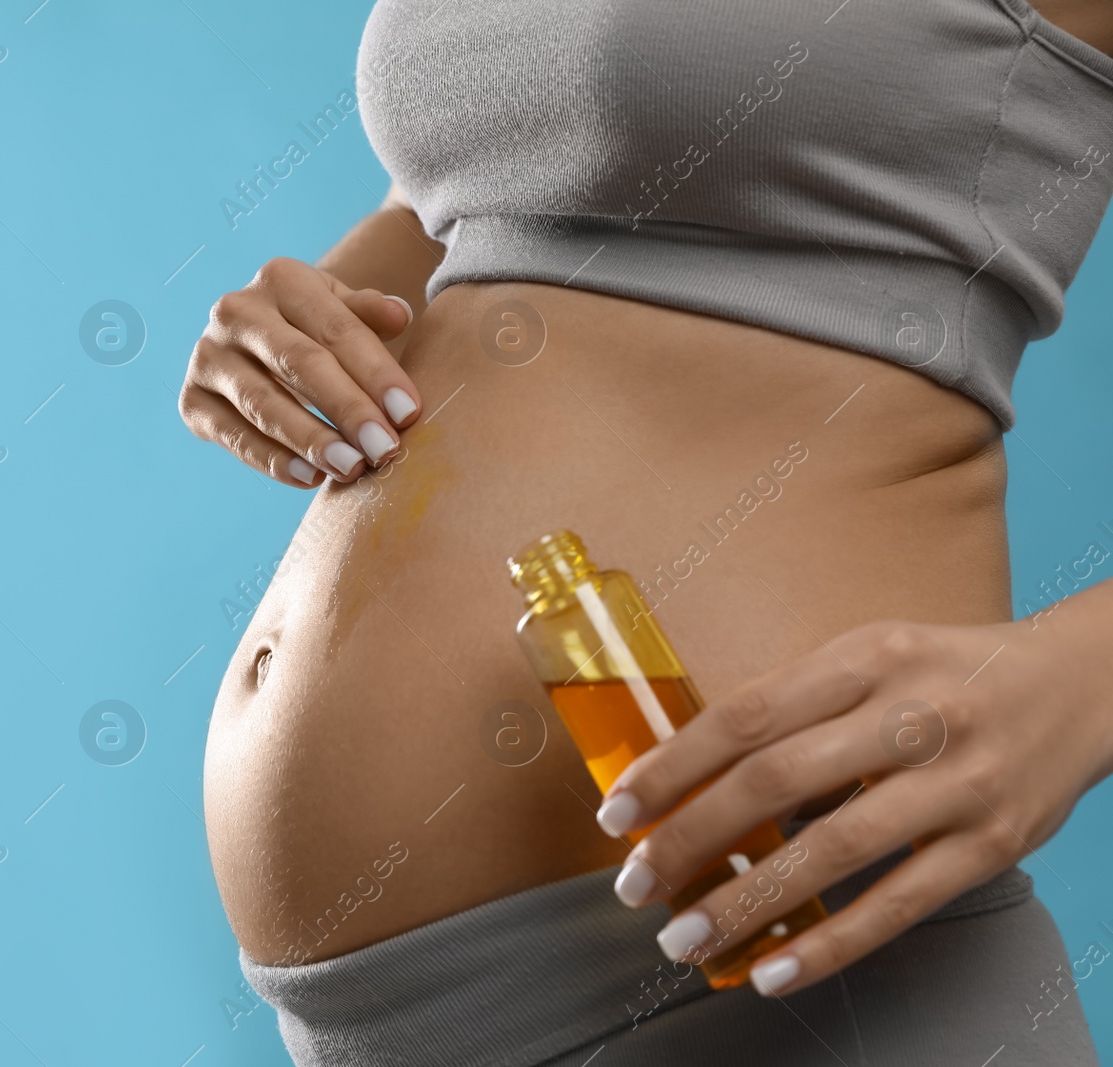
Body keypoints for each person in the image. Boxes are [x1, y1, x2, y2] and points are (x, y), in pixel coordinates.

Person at [179, 0, 1113, 1062]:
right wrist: (313, 321)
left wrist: (1083, 671)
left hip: (794, 955)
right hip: (378, 1021)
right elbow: (491, 184)